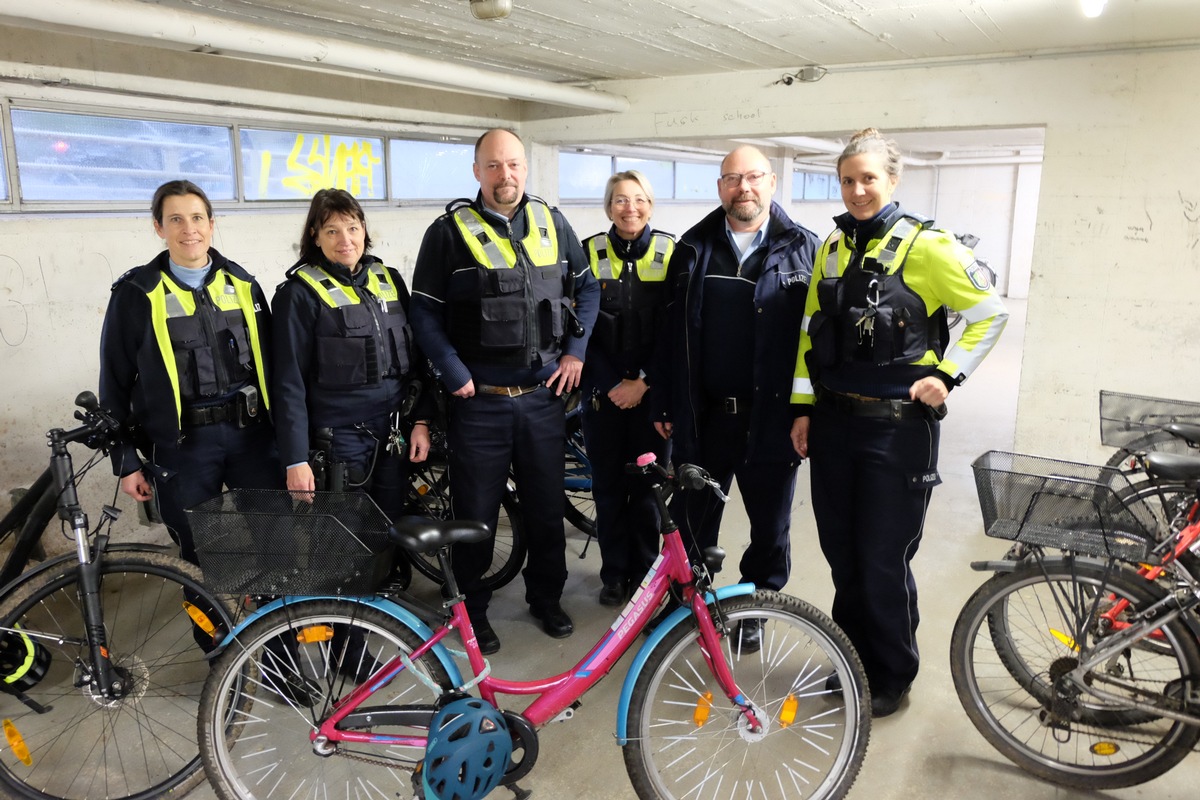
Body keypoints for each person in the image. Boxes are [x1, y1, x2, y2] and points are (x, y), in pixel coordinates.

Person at [789, 128, 1009, 718]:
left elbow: (990, 314)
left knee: (882, 555)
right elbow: (813, 330)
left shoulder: (928, 247)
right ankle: (853, 657)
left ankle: (890, 673)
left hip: (897, 431)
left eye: (869, 178)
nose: (858, 190)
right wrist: (803, 409)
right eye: (848, 180)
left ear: (892, 180)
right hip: (834, 426)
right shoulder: (832, 248)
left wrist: (948, 374)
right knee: (842, 553)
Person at [410, 128, 599, 654]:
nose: (505, 175)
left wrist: (575, 352)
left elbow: (586, 289)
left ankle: (546, 597)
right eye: (493, 166)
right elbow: (423, 310)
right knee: (476, 517)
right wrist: (451, 369)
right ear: (477, 172)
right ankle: (473, 612)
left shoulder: (553, 224)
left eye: (513, 164)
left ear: (525, 168)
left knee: (544, 509)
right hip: (480, 404)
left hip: (542, 401)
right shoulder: (447, 233)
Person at [653, 145, 818, 652]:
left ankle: (756, 610)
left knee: (770, 527)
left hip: (772, 421)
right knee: (693, 520)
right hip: (706, 420)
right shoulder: (692, 247)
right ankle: (690, 608)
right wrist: (665, 403)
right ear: (720, 187)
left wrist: (807, 411)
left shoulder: (804, 248)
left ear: (771, 182)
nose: (742, 187)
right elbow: (668, 333)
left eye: (752, 177)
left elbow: (817, 338)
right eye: (731, 178)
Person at [100, 180, 280, 566]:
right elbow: (113, 381)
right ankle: (211, 629)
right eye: (176, 219)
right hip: (183, 448)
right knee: (200, 554)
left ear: (212, 223)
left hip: (253, 439)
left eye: (197, 217)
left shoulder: (244, 284)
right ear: (158, 227)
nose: (189, 229)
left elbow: (275, 365)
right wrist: (126, 460)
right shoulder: (137, 293)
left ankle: (278, 625)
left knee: (275, 538)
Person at [271, 189, 431, 557]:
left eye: (352, 227)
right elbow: (288, 382)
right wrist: (295, 459)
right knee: (340, 539)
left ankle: (382, 609)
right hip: (340, 441)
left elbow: (417, 359)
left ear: (364, 230)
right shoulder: (298, 295)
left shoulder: (387, 279)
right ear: (314, 235)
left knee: (389, 529)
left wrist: (421, 419)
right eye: (331, 231)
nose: (345, 240)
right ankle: (342, 613)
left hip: (393, 433)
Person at [580, 171, 694, 606]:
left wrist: (643, 383)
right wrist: (613, 384)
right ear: (609, 206)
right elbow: (580, 329)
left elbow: (675, 331)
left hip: (651, 397)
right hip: (603, 396)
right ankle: (614, 575)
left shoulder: (673, 252)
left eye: (639, 199)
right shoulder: (588, 252)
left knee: (648, 493)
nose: (631, 208)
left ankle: (647, 577)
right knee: (607, 490)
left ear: (651, 204)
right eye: (621, 200)